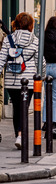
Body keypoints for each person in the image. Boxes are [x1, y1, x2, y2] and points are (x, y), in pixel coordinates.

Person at [0, 13, 42, 149]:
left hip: (12, 81)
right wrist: (41, 77)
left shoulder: (9, 39)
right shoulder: (35, 40)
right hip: (29, 80)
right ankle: (20, 135)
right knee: (24, 108)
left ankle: (18, 134)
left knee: (17, 108)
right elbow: (41, 62)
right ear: (31, 25)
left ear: (16, 23)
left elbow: (1, 59)